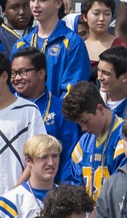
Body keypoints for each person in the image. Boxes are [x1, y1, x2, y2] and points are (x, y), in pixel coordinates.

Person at [13, 0, 89, 98]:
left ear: (58, 3)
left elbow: (73, 92)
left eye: (42, 0)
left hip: (59, 115)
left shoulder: (73, 42)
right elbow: (13, 89)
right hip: (25, 115)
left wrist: (52, 114)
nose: (35, 5)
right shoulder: (21, 43)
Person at [10, 46, 77, 182]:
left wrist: (63, 193)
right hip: (8, 190)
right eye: (13, 73)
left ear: (41, 73)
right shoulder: (5, 107)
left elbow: (68, 156)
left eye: (23, 72)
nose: (16, 78)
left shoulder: (61, 109)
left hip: (49, 192)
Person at [62, 80, 125, 202]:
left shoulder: (125, 139)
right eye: (79, 124)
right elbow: (75, 185)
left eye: (85, 121)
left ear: (100, 109)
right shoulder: (83, 144)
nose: (83, 129)